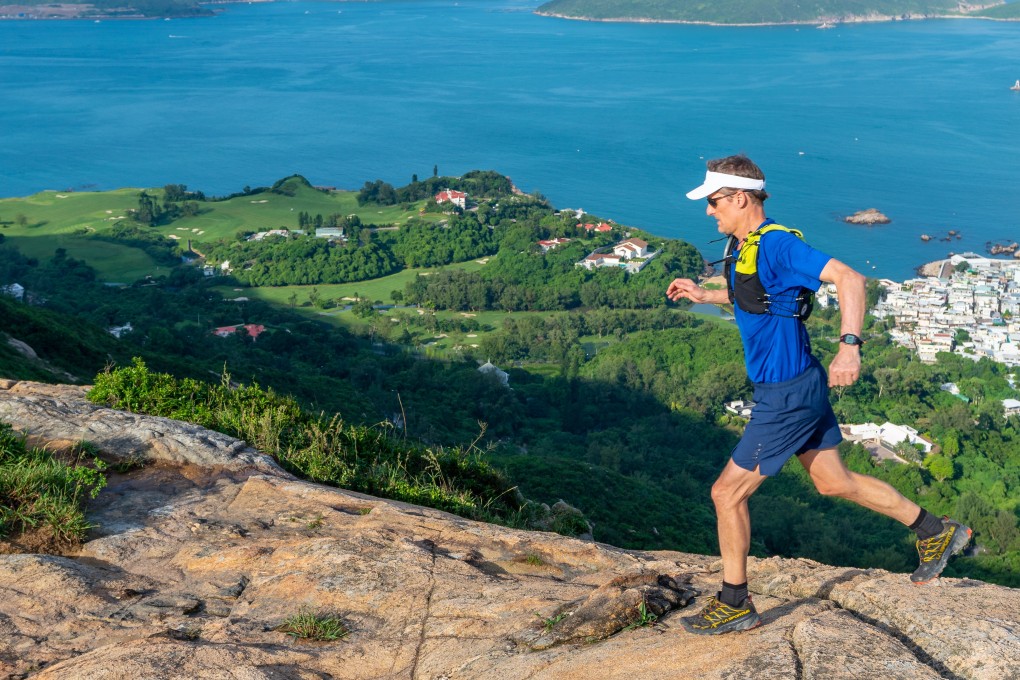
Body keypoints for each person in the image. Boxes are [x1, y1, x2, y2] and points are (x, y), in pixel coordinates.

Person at [666, 155, 971, 635]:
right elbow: (758, 295)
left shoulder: (778, 244)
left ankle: (735, 603)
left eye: (714, 201)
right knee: (834, 482)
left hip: (786, 394)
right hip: (796, 385)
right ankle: (936, 531)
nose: (709, 210)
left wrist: (849, 348)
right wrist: (706, 296)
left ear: (739, 198)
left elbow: (850, 278)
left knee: (725, 493)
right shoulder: (745, 244)